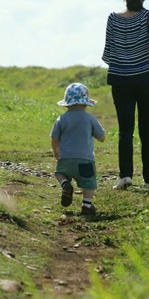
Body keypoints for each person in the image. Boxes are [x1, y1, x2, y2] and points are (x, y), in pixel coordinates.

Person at [102, 0, 149, 189]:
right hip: (146, 79)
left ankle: (125, 177)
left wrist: (125, 59)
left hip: (120, 80)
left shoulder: (113, 18)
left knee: (125, 130)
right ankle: (148, 178)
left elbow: (108, 54)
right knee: (146, 129)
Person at [50, 83, 106, 216]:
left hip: (66, 158)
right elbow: (101, 137)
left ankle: (65, 184)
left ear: (67, 104)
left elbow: (54, 137)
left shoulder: (61, 119)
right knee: (89, 183)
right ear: (86, 103)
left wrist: (56, 151)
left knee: (59, 173)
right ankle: (87, 205)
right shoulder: (90, 119)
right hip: (86, 159)